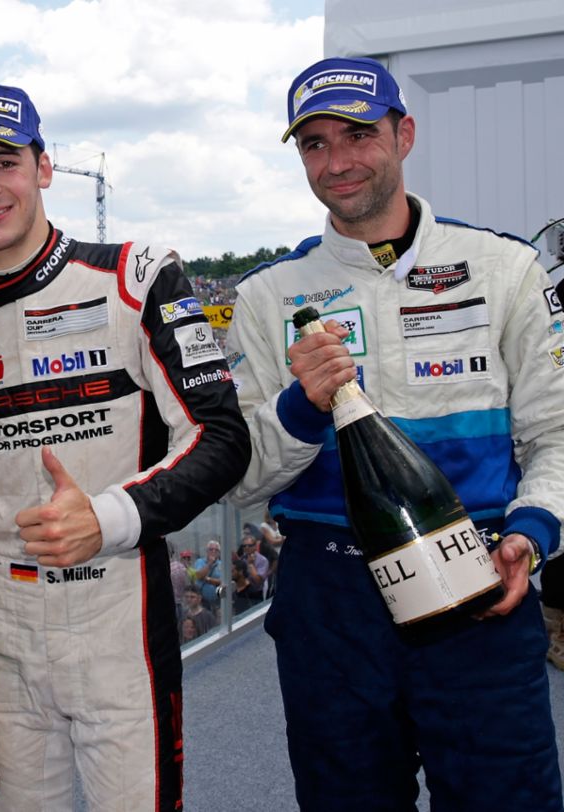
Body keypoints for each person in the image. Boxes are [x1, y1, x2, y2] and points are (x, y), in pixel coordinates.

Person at [0, 82, 249, 811]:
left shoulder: (137, 277)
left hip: (116, 609)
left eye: (4, 161)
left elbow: (221, 435)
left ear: (44, 167)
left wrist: (109, 516)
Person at [227, 56, 564, 810]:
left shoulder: (504, 269)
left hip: (479, 579)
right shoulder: (264, 296)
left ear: (403, 134)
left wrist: (531, 532)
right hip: (329, 599)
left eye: (356, 135)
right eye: (314, 144)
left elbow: (559, 435)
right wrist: (300, 409)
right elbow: (242, 477)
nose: (337, 162)